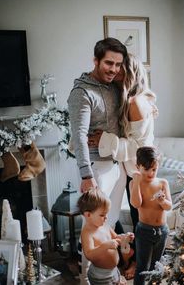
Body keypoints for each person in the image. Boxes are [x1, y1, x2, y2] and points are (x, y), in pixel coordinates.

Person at [88, 53, 158, 279]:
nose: (116, 73)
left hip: (140, 172)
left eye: (121, 69)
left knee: (142, 224)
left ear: (131, 73)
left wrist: (104, 140)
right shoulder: (132, 99)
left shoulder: (136, 103)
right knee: (122, 217)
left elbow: (139, 148)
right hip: (130, 171)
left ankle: (141, 267)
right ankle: (129, 258)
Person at [67, 37, 128, 284]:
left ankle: (108, 275)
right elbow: (78, 135)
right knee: (91, 231)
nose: (113, 69)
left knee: (108, 226)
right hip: (96, 170)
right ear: (96, 60)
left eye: (117, 64)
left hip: (117, 165)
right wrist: (86, 175)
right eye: (108, 63)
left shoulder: (115, 86)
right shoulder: (81, 92)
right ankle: (85, 277)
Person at [130, 146, 172, 285]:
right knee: (142, 266)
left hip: (162, 230)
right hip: (144, 231)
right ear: (138, 167)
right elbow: (136, 204)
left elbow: (169, 206)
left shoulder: (162, 183)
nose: (150, 173)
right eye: (146, 169)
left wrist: (162, 201)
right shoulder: (135, 183)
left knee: (157, 266)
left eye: (154, 169)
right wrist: (136, 182)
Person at [77, 188, 134, 285]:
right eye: (102, 215)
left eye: (106, 213)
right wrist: (105, 246)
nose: (106, 217)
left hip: (114, 270)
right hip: (100, 276)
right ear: (88, 215)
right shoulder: (87, 233)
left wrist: (124, 238)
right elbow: (89, 254)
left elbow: (116, 237)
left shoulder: (105, 225)